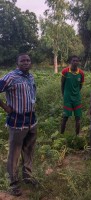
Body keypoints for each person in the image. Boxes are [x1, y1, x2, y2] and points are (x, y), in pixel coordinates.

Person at [0, 53, 37, 196]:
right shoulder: (11, 77)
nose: (26, 62)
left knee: (28, 150)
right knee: (14, 153)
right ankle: (13, 183)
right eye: (23, 61)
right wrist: (5, 107)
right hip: (17, 121)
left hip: (32, 120)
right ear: (18, 63)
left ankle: (28, 177)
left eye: (28, 60)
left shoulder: (30, 77)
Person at [61, 55, 84, 135]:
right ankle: (61, 135)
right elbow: (62, 84)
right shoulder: (65, 71)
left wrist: (76, 92)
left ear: (78, 62)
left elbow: (80, 86)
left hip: (77, 99)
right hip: (67, 99)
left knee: (78, 118)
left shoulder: (81, 73)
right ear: (70, 62)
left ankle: (77, 135)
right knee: (65, 118)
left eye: (77, 61)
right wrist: (63, 95)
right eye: (73, 60)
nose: (75, 62)